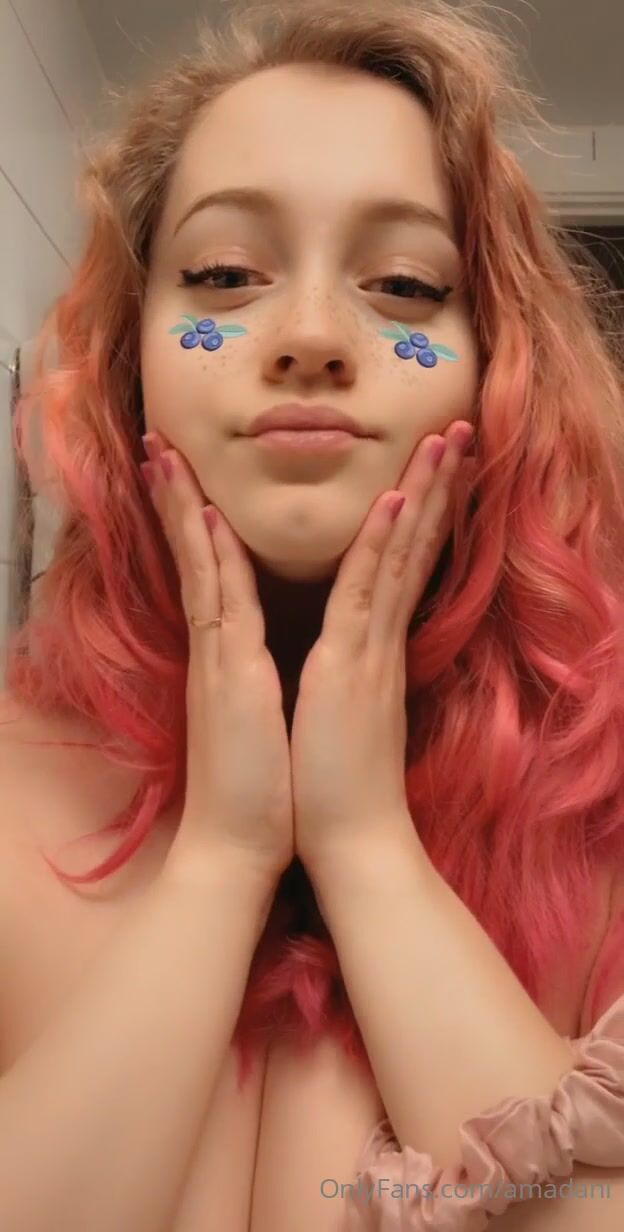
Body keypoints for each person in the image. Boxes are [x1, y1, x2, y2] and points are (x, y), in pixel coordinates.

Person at [1, 0, 624, 1227]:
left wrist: (366, 843)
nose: (311, 339)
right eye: (225, 276)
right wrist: (224, 859)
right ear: (130, 358)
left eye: (405, 285)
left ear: (500, 365)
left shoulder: (604, 787)